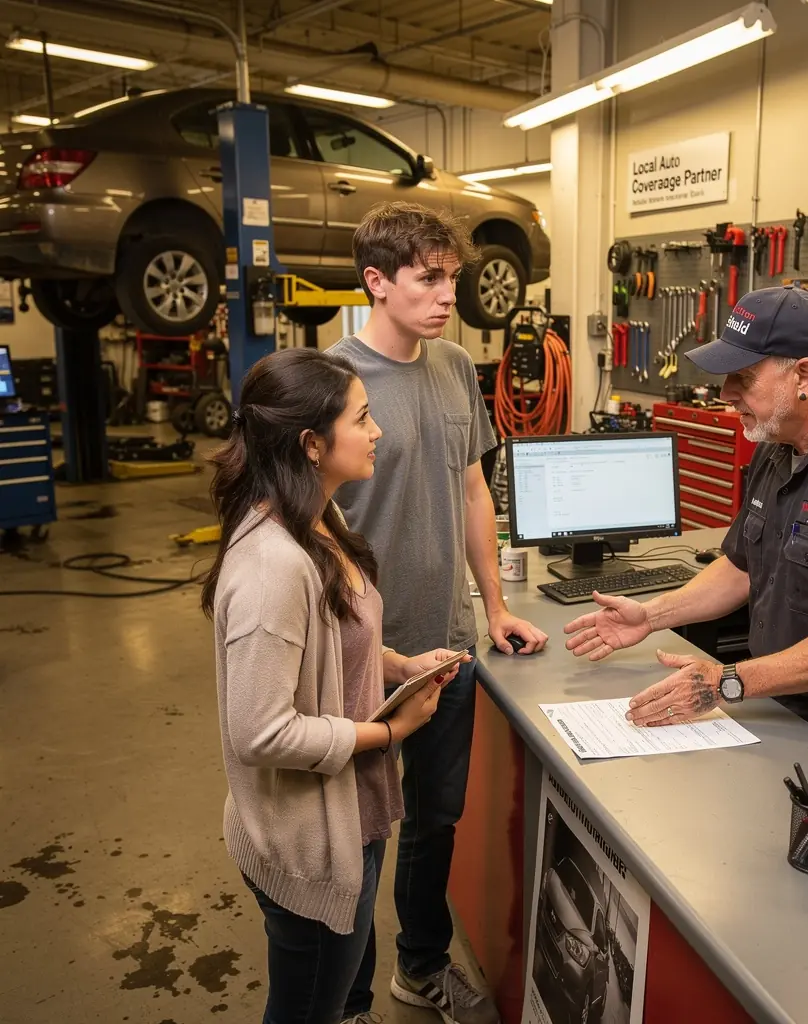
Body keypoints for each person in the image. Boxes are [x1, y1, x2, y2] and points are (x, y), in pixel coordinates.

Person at [565, 285, 808, 770]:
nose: (725, 393)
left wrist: (728, 681)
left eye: (743, 378)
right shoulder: (780, 446)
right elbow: (742, 565)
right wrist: (651, 616)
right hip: (783, 705)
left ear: (804, 376)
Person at [326, 202, 548, 1024]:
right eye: (429, 279)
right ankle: (347, 998)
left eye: (452, 277)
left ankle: (418, 968)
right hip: (364, 658)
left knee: (434, 822)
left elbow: (471, 490)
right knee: (358, 834)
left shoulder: (456, 366)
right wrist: (352, 643)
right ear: (377, 282)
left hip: (450, 648)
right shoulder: (330, 383)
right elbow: (307, 523)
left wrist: (491, 609)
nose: (448, 294)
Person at [202, 347, 466, 1024]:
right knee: (309, 1006)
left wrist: (398, 665)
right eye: (364, 418)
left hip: (345, 813)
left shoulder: (320, 518)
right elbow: (260, 730)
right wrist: (389, 731)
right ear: (312, 444)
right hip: (304, 841)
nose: (378, 432)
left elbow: (334, 643)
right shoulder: (271, 566)